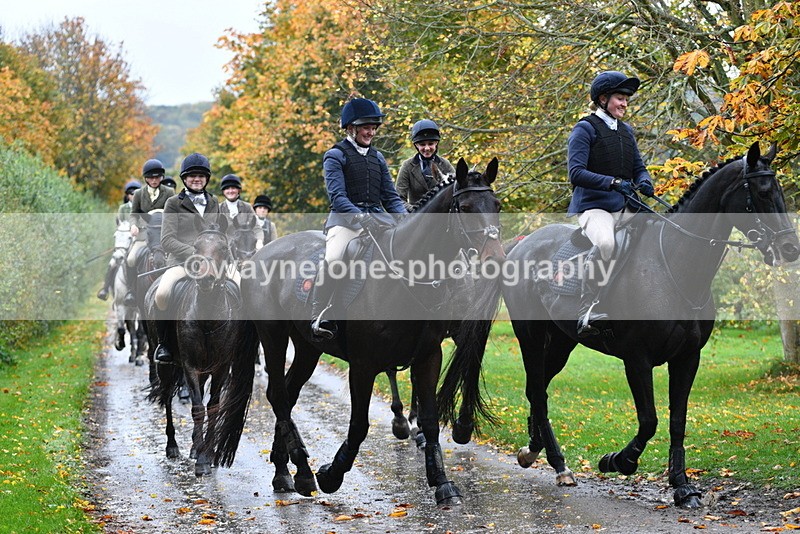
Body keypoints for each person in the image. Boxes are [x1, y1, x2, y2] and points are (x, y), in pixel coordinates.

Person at [310, 97, 408, 339]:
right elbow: (338, 198)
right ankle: (320, 313)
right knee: (334, 258)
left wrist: (405, 217)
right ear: (351, 128)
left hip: (377, 219)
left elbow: (390, 197)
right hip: (345, 221)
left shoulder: (378, 158)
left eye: (374, 127)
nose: (371, 132)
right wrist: (360, 216)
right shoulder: (335, 155)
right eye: (367, 127)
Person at [567, 70, 655, 338]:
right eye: (620, 98)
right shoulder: (585, 129)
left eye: (627, 99)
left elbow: (638, 167)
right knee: (606, 243)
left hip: (626, 206)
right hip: (594, 207)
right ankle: (588, 308)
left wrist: (645, 181)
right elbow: (576, 173)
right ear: (603, 99)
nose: (625, 104)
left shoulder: (626, 131)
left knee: (659, 236)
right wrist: (613, 183)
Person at [152, 152, 221, 363]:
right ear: (184, 179)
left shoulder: (214, 201)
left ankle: (240, 341)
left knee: (241, 285)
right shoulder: (173, 203)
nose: (197, 179)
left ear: (207, 178)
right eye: (192, 176)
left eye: (201, 175)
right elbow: (167, 240)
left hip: (213, 264)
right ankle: (164, 344)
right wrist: (195, 253)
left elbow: (219, 233)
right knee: (162, 293)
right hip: (182, 262)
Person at [124, 158, 175, 305]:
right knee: (131, 259)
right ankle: (131, 291)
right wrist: (133, 225)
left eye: (157, 177)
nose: (154, 180)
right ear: (146, 178)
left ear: (161, 177)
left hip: (163, 234)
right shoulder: (139, 194)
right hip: (143, 234)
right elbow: (134, 214)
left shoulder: (169, 192)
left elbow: (173, 213)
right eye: (151, 177)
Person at [395, 119, 456, 206]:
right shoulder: (407, 166)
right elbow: (399, 198)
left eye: (430, 144)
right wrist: (414, 211)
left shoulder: (445, 164)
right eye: (422, 144)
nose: (427, 148)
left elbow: (455, 191)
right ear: (416, 145)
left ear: (436, 143)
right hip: (416, 215)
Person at [97, 180, 140, 301]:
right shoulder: (123, 208)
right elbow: (120, 226)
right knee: (112, 263)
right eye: (130, 193)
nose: (133, 195)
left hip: (137, 240)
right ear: (127, 195)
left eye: (136, 193)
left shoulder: (142, 208)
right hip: (124, 241)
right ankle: (105, 289)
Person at [218, 173, 260, 244]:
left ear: (239, 190)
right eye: (227, 188)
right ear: (223, 191)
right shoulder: (218, 208)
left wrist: (259, 241)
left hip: (244, 246)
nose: (230, 191)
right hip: (224, 247)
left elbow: (256, 228)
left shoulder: (247, 207)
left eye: (233, 188)